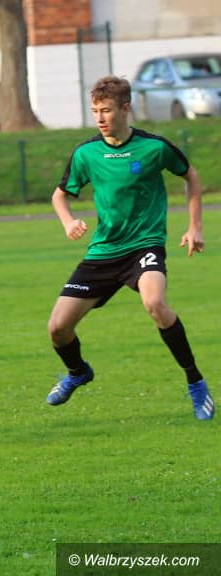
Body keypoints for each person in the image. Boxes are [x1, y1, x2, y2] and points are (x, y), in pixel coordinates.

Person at [45, 76, 213, 421]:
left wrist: (195, 225)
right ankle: (78, 372)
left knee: (155, 303)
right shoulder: (86, 153)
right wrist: (68, 221)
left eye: (106, 110)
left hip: (144, 245)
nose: (100, 118)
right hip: (104, 251)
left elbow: (191, 176)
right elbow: (60, 195)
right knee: (58, 328)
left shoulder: (154, 147)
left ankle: (195, 382)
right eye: (95, 111)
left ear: (125, 109)